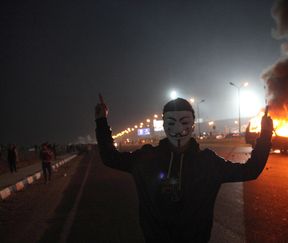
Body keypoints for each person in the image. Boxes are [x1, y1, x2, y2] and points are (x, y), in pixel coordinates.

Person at [95, 96, 273, 242]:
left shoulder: (207, 162)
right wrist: (101, 121)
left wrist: (265, 135)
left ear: (193, 125)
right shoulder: (147, 158)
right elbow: (110, 158)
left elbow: (251, 170)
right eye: (171, 123)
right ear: (164, 125)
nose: (178, 129)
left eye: (184, 122)